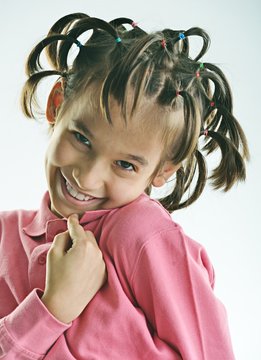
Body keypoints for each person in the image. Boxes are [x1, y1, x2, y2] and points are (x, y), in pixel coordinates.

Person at [0, 12, 249, 359]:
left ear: (163, 170)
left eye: (125, 164)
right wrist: (52, 309)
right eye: (82, 138)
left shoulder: (143, 235)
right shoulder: (3, 235)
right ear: (58, 103)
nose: (87, 177)